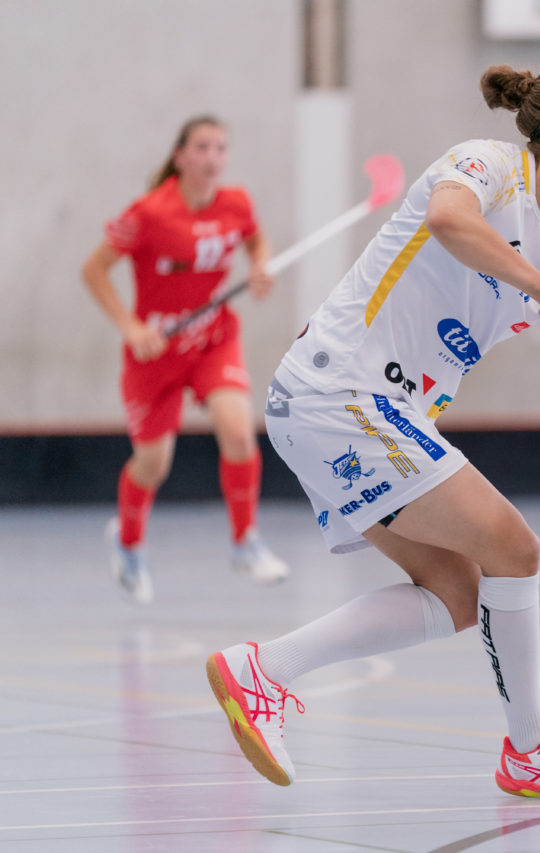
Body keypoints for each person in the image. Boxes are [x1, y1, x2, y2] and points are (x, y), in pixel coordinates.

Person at [205, 63, 540, 801]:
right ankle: (533, 748)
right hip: (341, 387)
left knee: (455, 590)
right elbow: (448, 220)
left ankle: (263, 669)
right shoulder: (489, 166)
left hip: (368, 410)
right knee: (514, 546)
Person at [82, 115, 290, 604]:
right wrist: (131, 328)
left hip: (213, 338)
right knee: (152, 464)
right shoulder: (149, 213)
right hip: (154, 351)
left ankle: (245, 541)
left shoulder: (236, 203)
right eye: (202, 147)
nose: (213, 157)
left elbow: (255, 239)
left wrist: (260, 267)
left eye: (221, 147)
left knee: (238, 431)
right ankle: (128, 544)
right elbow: (94, 270)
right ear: (180, 157)